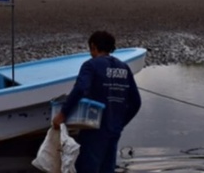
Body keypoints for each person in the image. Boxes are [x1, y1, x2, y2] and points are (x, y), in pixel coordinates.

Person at [52, 30, 142, 173]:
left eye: (90, 49)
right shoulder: (124, 68)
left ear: (93, 46)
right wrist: (120, 123)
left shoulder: (90, 65)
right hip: (114, 130)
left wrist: (63, 114)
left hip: (94, 130)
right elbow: (136, 102)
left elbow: (81, 89)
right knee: (108, 169)